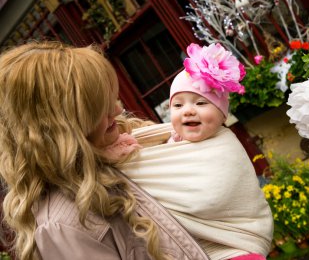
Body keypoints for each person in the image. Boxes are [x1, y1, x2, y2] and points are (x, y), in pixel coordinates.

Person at [0, 41, 210, 260]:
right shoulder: (63, 225)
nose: (118, 110)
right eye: (99, 107)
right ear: (60, 127)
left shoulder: (121, 149)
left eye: (112, 98)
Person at [123, 43, 274, 260]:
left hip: (238, 249)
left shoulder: (226, 146)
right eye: (177, 106)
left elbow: (208, 198)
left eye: (201, 102)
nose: (188, 111)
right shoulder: (168, 146)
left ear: (223, 115)